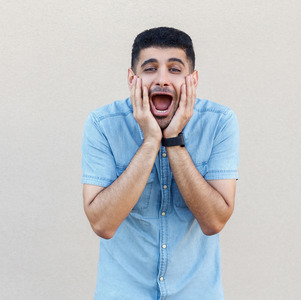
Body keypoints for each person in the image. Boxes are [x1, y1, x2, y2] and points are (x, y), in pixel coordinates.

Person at [81, 27, 239, 299]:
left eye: (175, 70)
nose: (162, 80)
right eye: (150, 68)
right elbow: (102, 224)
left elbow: (214, 221)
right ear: (132, 79)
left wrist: (174, 140)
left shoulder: (220, 123)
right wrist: (151, 141)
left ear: (193, 79)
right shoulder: (102, 125)